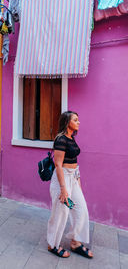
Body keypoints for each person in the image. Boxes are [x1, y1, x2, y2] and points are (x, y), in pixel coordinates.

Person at [47, 111, 93, 259]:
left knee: (81, 209)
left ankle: (75, 242)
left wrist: (77, 184)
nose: (79, 122)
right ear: (67, 122)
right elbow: (58, 165)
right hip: (62, 179)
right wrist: (63, 189)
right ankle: (52, 244)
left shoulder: (71, 139)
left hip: (73, 178)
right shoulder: (60, 139)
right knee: (61, 213)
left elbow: (75, 163)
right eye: (75, 120)